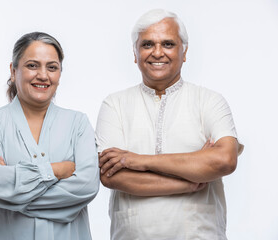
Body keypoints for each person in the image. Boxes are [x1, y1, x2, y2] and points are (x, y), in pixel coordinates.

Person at [96, 9, 243, 240]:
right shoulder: (114, 104)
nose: (157, 53)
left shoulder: (209, 101)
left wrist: (138, 161)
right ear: (135, 54)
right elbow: (111, 176)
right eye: (147, 44)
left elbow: (224, 160)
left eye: (167, 44)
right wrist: (190, 180)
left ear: (184, 52)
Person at [0, 32, 100, 240]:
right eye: (32, 65)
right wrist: (57, 170)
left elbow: (86, 186)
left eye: (52, 67)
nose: (43, 75)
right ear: (13, 71)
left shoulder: (78, 123)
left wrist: (13, 195)